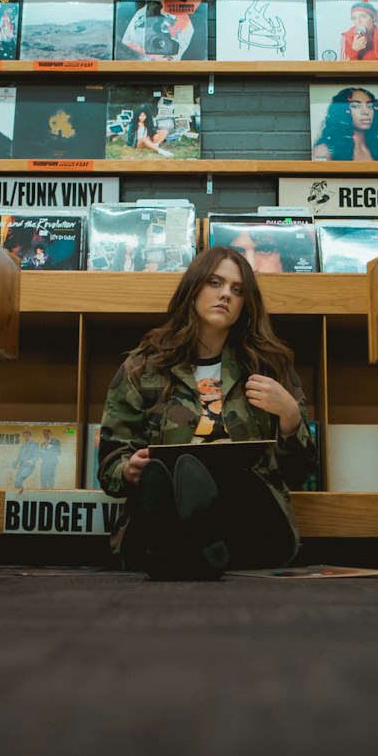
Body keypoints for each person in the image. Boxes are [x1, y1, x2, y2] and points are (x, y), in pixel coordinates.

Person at [97, 246, 317, 579]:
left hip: (250, 525)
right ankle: (196, 548)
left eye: (237, 289)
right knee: (168, 480)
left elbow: (299, 473)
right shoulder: (143, 367)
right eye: (215, 283)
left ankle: (181, 552)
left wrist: (290, 418)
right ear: (194, 288)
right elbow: (110, 461)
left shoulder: (269, 367)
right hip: (167, 518)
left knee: (230, 480)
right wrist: (128, 470)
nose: (226, 294)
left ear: (245, 303)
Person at [312, 86, 378, 162]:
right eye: (355, 106)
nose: (366, 112)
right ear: (341, 112)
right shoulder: (324, 150)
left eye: (370, 106)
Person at [12, 428, 40, 492]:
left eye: (27, 435)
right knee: (16, 483)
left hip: (29, 467)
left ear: (30, 435)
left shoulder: (34, 444)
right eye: (24, 435)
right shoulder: (23, 446)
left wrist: (30, 461)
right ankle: (19, 495)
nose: (26, 437)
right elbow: (19, 458)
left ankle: (21, 495)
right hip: (22, 467)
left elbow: (36, 455)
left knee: (18, 480)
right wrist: (12, 464)